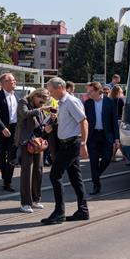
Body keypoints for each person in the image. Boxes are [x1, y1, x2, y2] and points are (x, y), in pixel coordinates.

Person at [41, 77, 89, 225]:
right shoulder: (62, 103)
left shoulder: (70, 102)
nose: (50, 94)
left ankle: (59, 212)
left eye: (51, 91)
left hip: (71, 144)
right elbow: (68, 122)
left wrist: (83, 143)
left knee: (55, 175)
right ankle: (83, 210)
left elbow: (83, 121)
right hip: (66, 143)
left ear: (60, 87)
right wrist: (52, 125)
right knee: (75, 178)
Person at [14, 88, 51, 213]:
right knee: (27, 172)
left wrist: (49, 119)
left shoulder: (39, 107)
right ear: (35, 96)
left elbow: (40, 123)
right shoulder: (23, 101)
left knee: (38, 170)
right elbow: (24, 114)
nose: (42, 104)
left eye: (43, 103)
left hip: (37, 141)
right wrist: (40, 110)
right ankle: (25, 203)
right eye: (40, 101)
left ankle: (36, 199)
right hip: (26, 141)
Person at [84, 82, 120, 194]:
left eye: (90, 91)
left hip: (106, 135)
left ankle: (96, 175)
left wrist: (116, 138)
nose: (88, 93)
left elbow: (114, 121)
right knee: (93, 161)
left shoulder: (110, 102)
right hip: (93, 135)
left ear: (97, 91)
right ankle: (96, 185)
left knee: (107, 158)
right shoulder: (87, 103)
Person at [0, 73, 18, 192]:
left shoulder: (17, 95)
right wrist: (3, 128)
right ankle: (4, 178)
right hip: (2, 130)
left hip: (14, 129)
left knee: (12, 155)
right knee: (2, 154)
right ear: (5, 83)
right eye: (12, 80)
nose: (15, 82)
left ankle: (8, 181)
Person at [110, 85, 125, 162]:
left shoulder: (110, 99)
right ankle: (119, 156)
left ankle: (123, 156)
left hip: (112, 120)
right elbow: (124, 111)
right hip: (119, 120)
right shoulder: (120, 100)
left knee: (116, 139)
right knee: (119, 139)